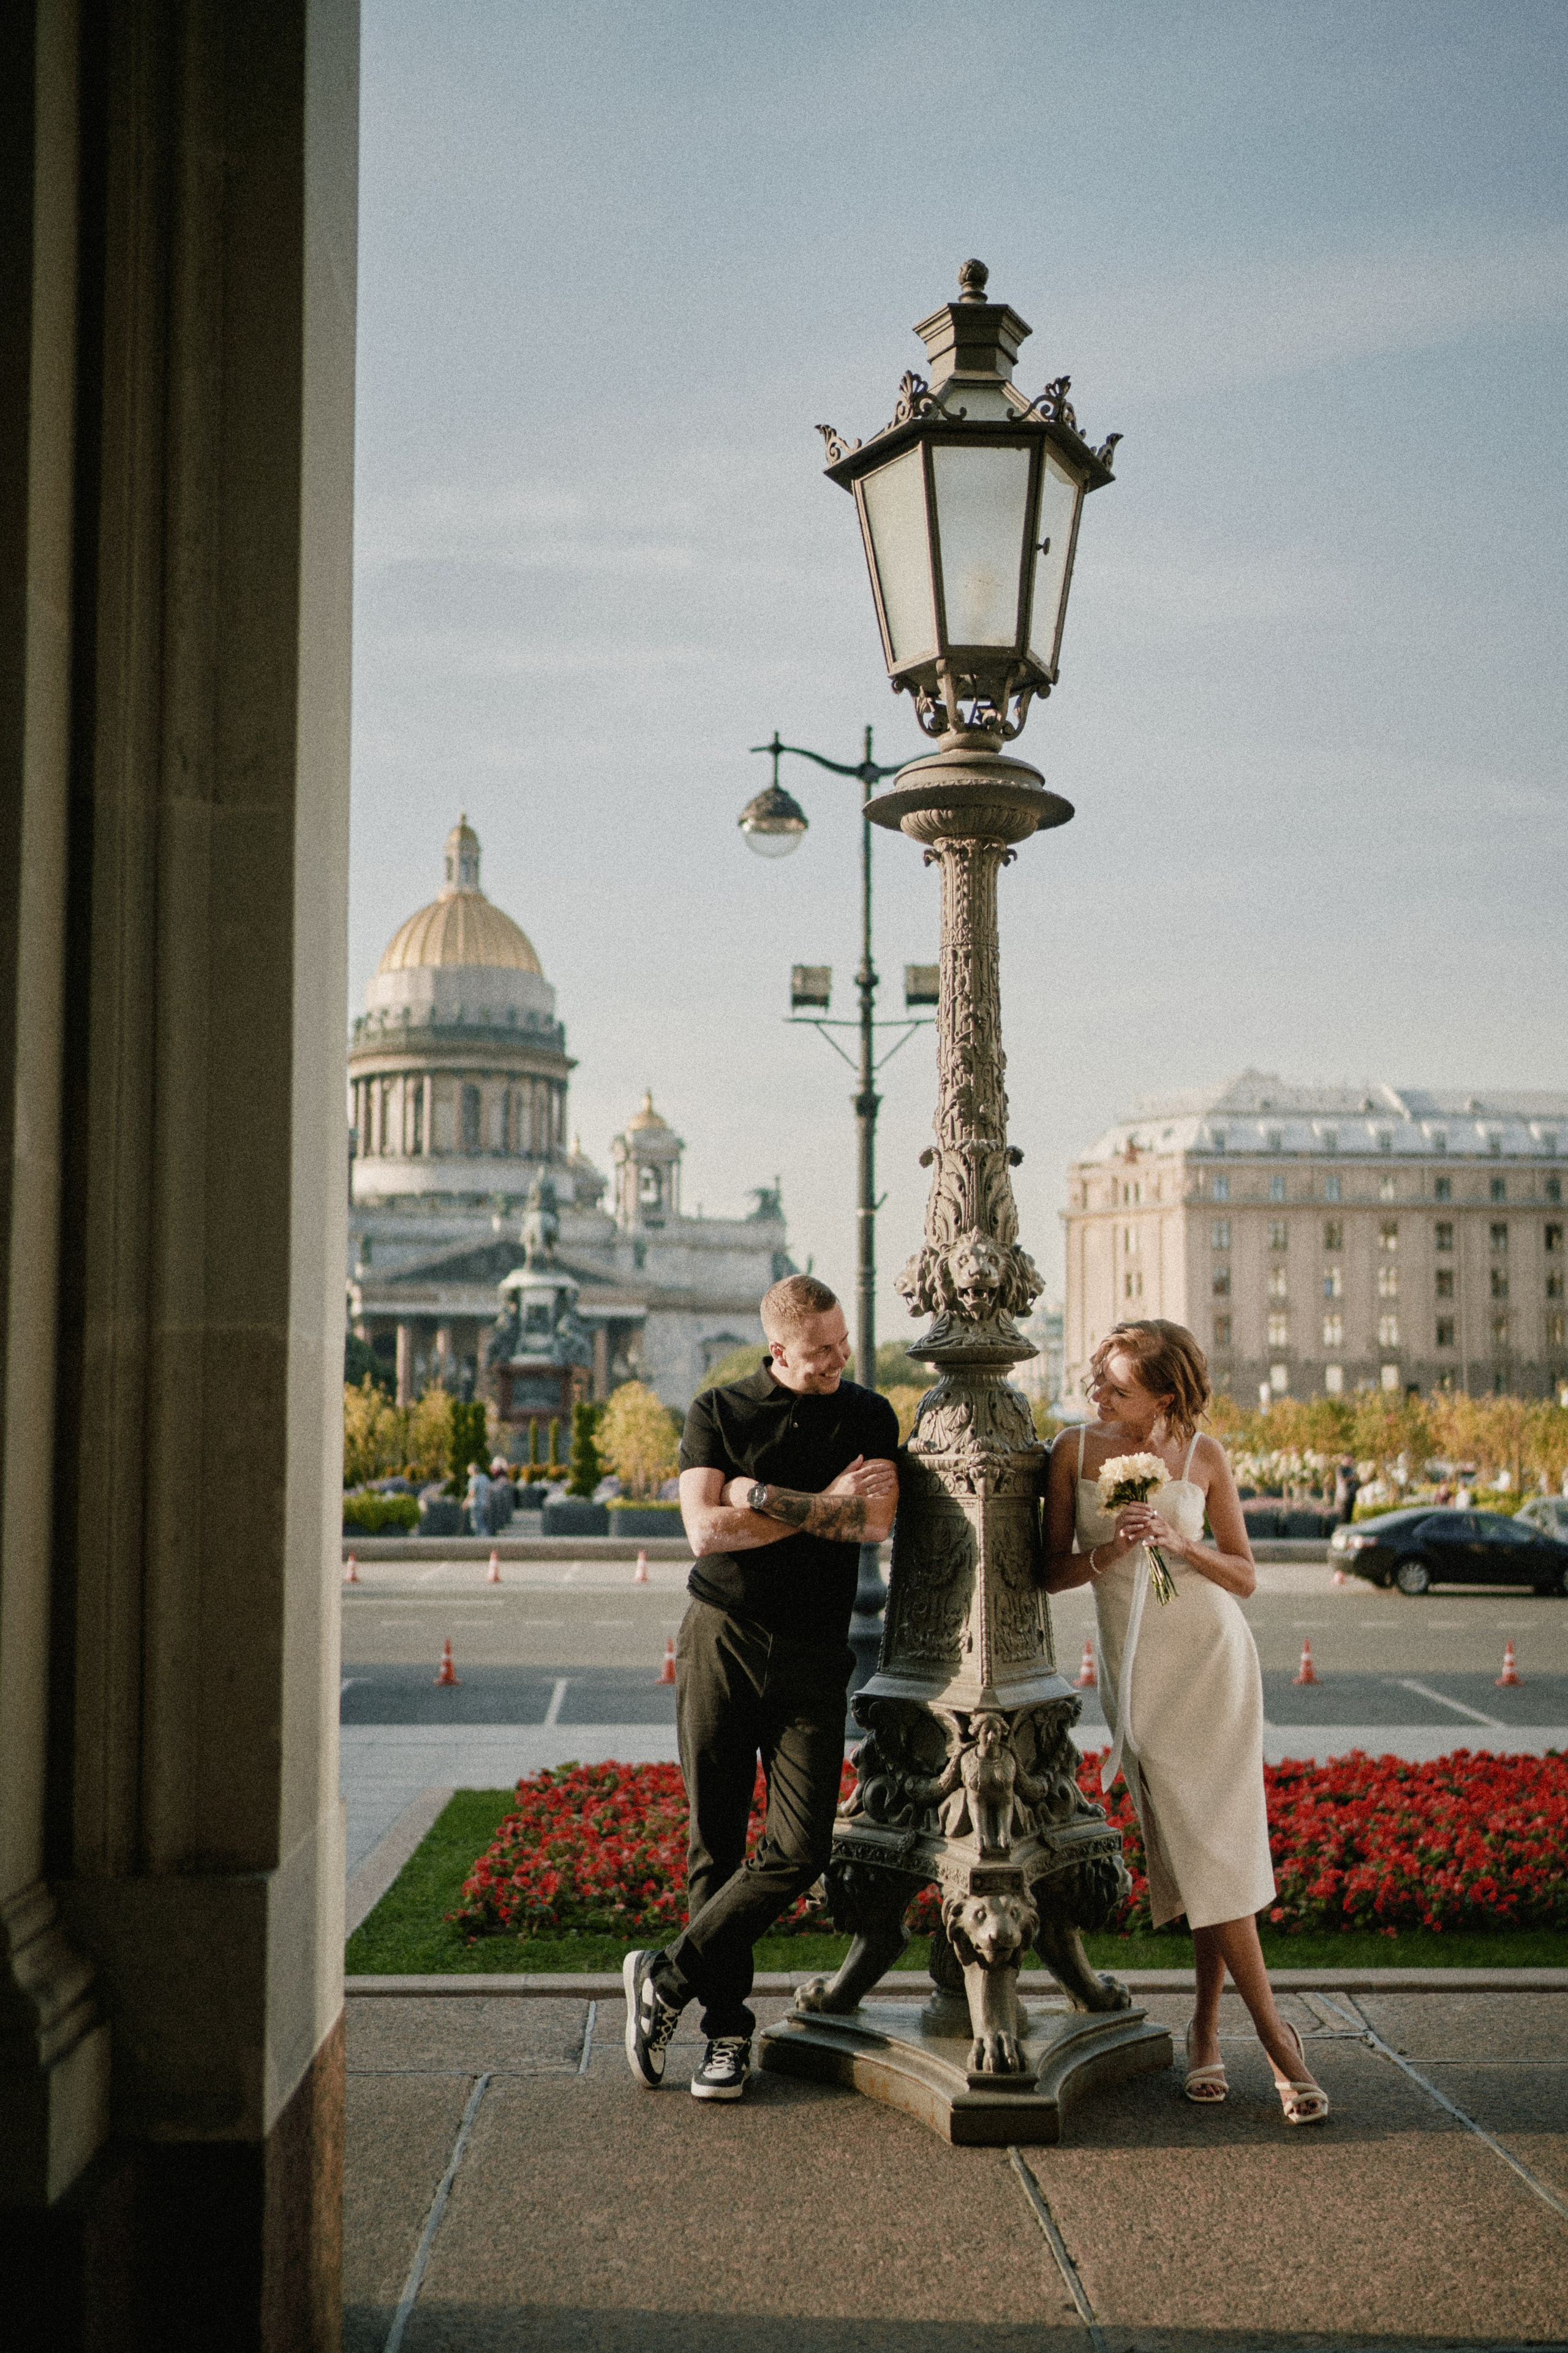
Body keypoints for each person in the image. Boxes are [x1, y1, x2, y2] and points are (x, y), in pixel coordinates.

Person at [1041, 1318, 1328, 2126]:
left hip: (1214, 1660)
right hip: (1140, 1678)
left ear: (1165, 1395)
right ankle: (1271, 2034)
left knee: (1215, 1845)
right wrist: (1110, 1552)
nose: (1099, 1392)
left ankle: (1219, 2031)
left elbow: (1244, 1575)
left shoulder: (1203, 1456)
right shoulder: (1072, 1449)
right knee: (1196, 1842)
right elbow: (1047, 1568)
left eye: (1119, 1385)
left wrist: (1176, 1541)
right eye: (1098, 1376)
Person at [622, 1274, 899, 2102]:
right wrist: (822, 1505)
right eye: (821, 1351)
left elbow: (874, 1523)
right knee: (716, 1842)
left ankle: (664, 1978)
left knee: (800, 1850)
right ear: (778, 1349)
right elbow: (706, 1533)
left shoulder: (869, 1413)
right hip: (722, 1640)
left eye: (842, 1342)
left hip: (816, 1652)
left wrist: (761, 1496)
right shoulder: (718, 1410)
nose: (839, 1358)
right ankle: (726, 2034)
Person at [1333, 1457, 1360, 1524]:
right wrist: (1352, 1478)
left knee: (1349, 1515)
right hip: (1343, 1495)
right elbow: (1342, 1480)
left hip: (1351, 1495)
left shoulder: (1352, 1469)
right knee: (1342, 1515)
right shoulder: (1340, 1469)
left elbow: (1357, 1480)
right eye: (1348, 1460)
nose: (1350, 1462)